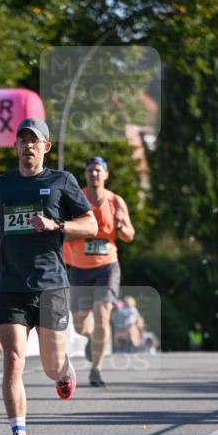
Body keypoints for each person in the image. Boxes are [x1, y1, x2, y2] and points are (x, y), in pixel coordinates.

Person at [0, 117, 97, 435]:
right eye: (22, 140)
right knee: (13, 360)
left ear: (46, 147)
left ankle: (65, 370)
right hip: (9, 284)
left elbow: (91, 224)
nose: (28, 146)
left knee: (51, 366)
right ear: (16, 147)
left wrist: (56, 225)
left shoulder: (62, 182)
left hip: (50, 284)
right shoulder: (1, 185)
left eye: (34, 141)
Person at [64, 156, 135, 386]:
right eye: (90, 170)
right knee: (78, 323)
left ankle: (96, 370)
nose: (94, 174)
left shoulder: (116, 201)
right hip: (79, 268)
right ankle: (91, 339)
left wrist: (121, 225)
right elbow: (63, 231)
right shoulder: (77, 198)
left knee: (102, 315)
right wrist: (86, 231)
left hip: (107, 266)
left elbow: (129, 236)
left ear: (105, 175)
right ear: (85, 175)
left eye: (98, 170)